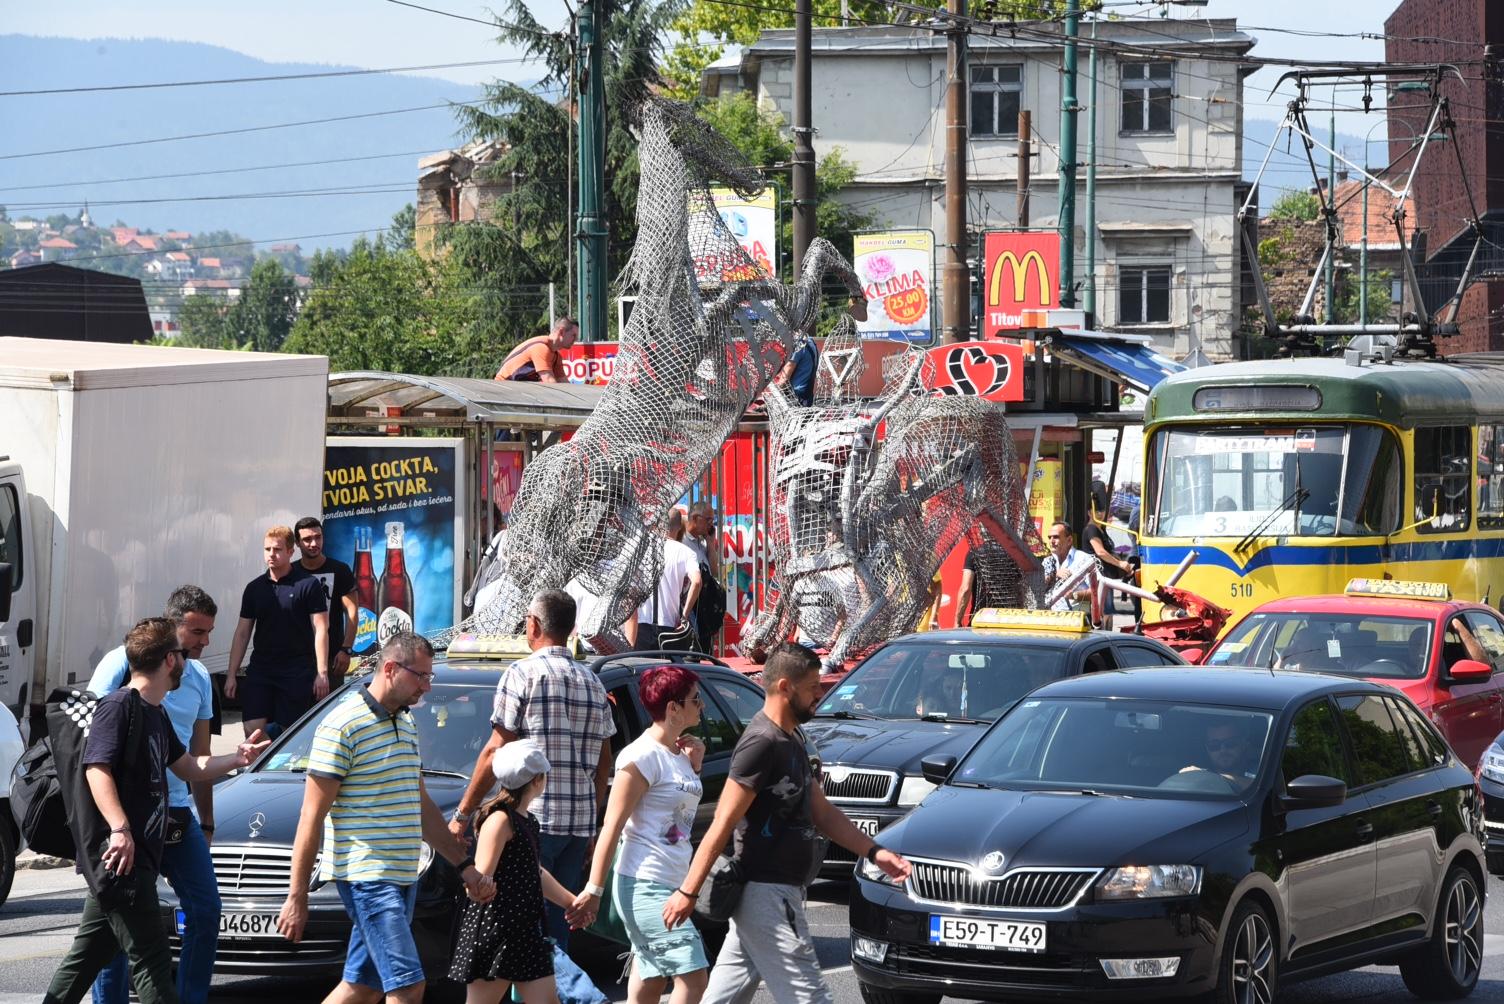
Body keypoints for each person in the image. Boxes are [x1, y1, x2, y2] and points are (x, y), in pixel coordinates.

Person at [662, 642, 911, 1004]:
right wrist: (688, 891)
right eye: (812, 687)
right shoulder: (761, 743)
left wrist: (875, 852)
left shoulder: (791, 737)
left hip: (774, 891)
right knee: (807, 996)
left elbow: (822, 812)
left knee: (722, 998)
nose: (819, 695)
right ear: (784, 687)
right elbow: (722, 822)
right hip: (767, 892)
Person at [43, 618, 269, 1004]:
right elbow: (96, 768)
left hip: (134, 857)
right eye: (182, 654)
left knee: (84, 961)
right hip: (120, 858)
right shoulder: (118, 707)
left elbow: (188, 767)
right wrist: (120, 828)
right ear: (170, 659)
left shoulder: (155, 712)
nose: (187, 661)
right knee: (152, 962)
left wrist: (237, 757)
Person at [277, 632, 490, 1004]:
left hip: (401, 875)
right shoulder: (343, 725)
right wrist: (296, 895)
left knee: (364, 986)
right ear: (390, 668)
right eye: (420, 676)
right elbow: (310, 817)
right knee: (407, 987)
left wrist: (465, 867)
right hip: (368, 878)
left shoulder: (405, 724)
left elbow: (419, 804)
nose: (426, 686)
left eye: (429, 677)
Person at [451, 589, 616, 958]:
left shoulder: (522, 674)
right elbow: (605, 760)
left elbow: (495, 749)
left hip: (531, 823)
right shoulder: (592, 681)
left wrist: (462, 815)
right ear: (571, 628)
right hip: (577, 826)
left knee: (516, 931)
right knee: (555, 932)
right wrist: (591, 816)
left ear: (534, 624)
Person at [87, 587, 221, 1004]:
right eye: (197, 631)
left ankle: (191, 997)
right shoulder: (120, 663)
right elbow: (93, 750)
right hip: (126, 821)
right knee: (116, 926)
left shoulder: (199, 678)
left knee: (205, 909)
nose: (204, 641)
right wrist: (114, 825)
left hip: (175, 812)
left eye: (208, 632)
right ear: (173, 627)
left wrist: (208, 821)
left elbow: (197, 758)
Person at [572, 666, 710, 1004]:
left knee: (650, 981)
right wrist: (594, 889)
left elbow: (676, 811)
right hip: (644, 884)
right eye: (695, 699)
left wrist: (696, 765)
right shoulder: (639, 757)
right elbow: (613, 826)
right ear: (673, 708)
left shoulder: (678, 754)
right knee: (694, 979)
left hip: (671, 881)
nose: (702, 705)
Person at [451, 741, 582, 1004]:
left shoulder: (527, 821)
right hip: (497, 929)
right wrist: (478, 888)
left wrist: (571, 901)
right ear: (536, 780)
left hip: (524, 930)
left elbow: (535, 872)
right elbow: (482, 875)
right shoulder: (500, 819)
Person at [224, 526, 330, 738]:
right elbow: (243, 632)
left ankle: (277, 762)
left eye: (277, 549)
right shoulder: (254, 588)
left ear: (291, 551)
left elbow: (320, 629)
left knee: (289, 734)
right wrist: (231, 674)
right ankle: (259, 766)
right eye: (267, 549)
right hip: (262, 667)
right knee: (251, 729)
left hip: (296, 669)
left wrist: (322, 672)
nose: (271, 554)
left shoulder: (308, 585)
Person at [295, 516, 359, 690]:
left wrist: (346, 649)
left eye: (318, 537)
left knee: (329, 714)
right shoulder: (291, 572)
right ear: (297, 543)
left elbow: (352, 613)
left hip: (332, 659)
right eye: (307, 539)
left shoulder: (340, 570)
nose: (314, 543)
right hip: (295, 659)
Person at [627, 512, 703, 651]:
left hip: (640, 625)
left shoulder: (638, 548)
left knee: (643, 671)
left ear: (658, 525)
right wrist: (684, 616)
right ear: (680, 526)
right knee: (667, 672)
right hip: (671, 627)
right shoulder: (685, 552)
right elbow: (697, 582)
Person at [1180, 719, 1260, 790]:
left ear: (1244, 744)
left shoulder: (1261, 770)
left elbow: (1260, 789)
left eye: (1230, 743)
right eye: (1214, 745)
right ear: (1207, 749)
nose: (1223, 750)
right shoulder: (1196, 774)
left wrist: (1206, 776)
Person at [496, 318, 580, 383]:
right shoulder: (541, 348)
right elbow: (549, 381)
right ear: (561, 332)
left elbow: (564, 383)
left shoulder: (556, 356)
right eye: (573, 335)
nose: (576, 339)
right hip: (503, 389)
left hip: (516, 390)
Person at [1040, 522, 1096, 613]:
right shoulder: (1047, 561)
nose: (1051, 541)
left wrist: (1074, 595)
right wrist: (1054, 575)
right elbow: (1038, 589)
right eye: (1049, 537)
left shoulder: (1083, 559)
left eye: (1056, 537)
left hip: (1076, 619)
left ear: (1069, 540)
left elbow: (1096, 591)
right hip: (1049, 617)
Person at [955, 540, 1011, 627]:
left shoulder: (974, 553)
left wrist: (957, 621)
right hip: (1007, 620)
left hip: (980, 620)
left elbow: (965, 589)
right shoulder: (1013, 554)